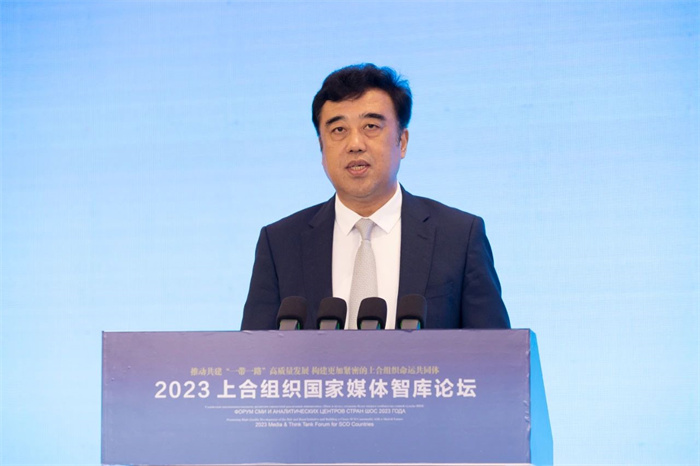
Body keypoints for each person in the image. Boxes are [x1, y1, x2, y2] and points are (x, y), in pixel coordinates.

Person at [240, 64, 510, 330]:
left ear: (402, 142)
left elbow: (495, 351)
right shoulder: (280, 244)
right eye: (338, 130)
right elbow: (251, 352)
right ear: (321, 147)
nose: (355, 144)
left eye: (370, 126)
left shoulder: (459, 237)